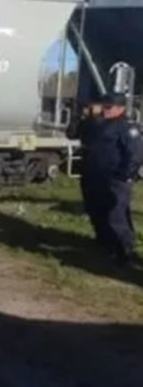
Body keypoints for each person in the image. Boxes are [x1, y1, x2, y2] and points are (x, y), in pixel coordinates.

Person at [82, 93, 140, 265]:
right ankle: (105, 243)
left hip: (115, 178)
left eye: (108, 107)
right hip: (95, 176)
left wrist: (124, 175)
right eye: (103, 106)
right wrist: (87, 116)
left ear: (120, 108)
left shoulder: (127, 127)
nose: (104, 110)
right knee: (96, 210)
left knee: (115, 214)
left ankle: (124, 250)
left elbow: (135, 154)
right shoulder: (98, 124)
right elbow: (75, 134)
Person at [66, 99, 104, 242]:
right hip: (87, 159)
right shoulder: (85, 122)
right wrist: (77, 118)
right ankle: (89, 210)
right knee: (87, 187)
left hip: (100, 161)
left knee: (99, 189)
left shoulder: (103, 122)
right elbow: (71, 134)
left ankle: (99, 214)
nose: (86, 109)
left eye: (89, 107)